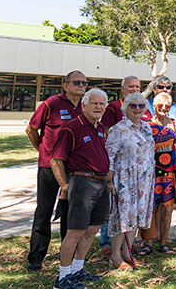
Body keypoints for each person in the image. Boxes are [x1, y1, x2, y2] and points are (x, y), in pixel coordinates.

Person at [50, 87, 109, 289]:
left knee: (92, 230)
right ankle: (63, 277)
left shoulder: (100, 128)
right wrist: (65, 186)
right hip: (82, 183)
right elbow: (56, 160)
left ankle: (77, 269)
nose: (99, 107)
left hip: (101, 183)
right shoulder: (72, 127)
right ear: (84, 105)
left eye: (102, 104)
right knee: (75, 231)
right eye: (94, 103)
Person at [26, 70, 85, 272]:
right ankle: (36, 257)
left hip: (73, 169)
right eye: (77, 82)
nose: (81, 86)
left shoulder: (84, 107)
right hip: (48, 168)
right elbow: (31, 129)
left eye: (85, 83)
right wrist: (43, 149)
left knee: (70, 213)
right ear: (65, 85)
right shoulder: (51, 104)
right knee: (44, 211)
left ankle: (66, 257)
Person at [106, 92, 155, 267]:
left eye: (141, 106)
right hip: (124, 180)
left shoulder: (147, 128)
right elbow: (109, 156)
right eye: (133, 105)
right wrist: (110, 180)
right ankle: (115, 256)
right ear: (125, 108)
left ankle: (127, 252)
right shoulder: (118, 129)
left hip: (144, 180)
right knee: (123, 217)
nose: (137, 109)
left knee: (136, 216)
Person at [98, 75, 141, 256]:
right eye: (131, 86)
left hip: (136, 169)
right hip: (119, 167)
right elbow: (107, 133)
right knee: (114, 208)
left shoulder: (142, 107)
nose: (134, 89)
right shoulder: (114, 107)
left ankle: (127, 247)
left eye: (137, 86)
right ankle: (107, 244)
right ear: (123, 88)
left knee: (131, 209)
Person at [145, 92, 176, 254]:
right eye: (161, 106)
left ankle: (164, 243)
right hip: (151, 174)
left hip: (170, 174)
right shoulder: (146, 126)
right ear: (154, 107)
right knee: (150, 210)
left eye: (167, 106)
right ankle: (148, 243)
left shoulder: (175, 125)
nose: (164, 109)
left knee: (167, 210)